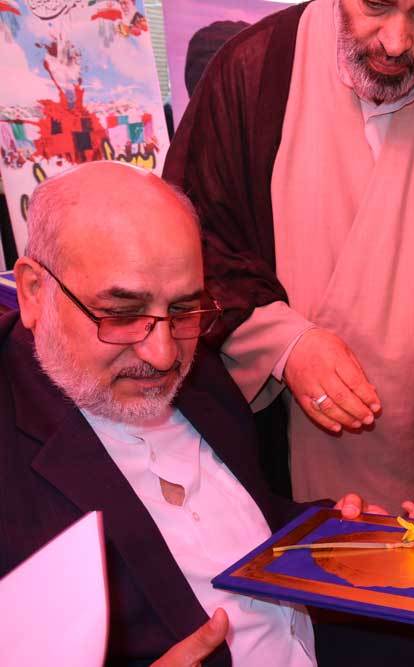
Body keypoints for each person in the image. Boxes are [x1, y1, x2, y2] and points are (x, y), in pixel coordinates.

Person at [164, 0, 414, 535]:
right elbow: (196, 244)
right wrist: (283, 344)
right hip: (276, 440)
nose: (394, 42)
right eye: (375, 5)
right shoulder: (254, 70)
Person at [0, 163, 356, 665]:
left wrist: (332, 532)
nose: (164, 355)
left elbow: (239, 518)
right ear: (35, 292)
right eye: (123, 314)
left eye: (184, 310)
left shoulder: (200, 368)